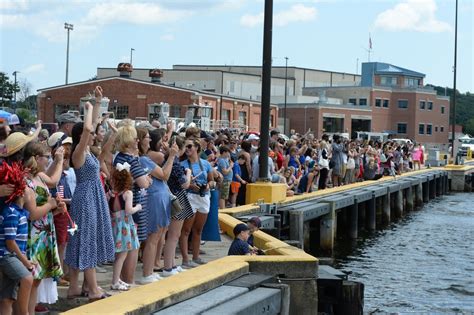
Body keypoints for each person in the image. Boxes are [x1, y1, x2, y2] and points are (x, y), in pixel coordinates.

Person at [65, 87, 115, 302]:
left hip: (91, 197)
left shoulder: (86, 152)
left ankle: (75, 288)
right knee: (86, 242)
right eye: (91, 134)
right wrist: (88, 108)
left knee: (80, 242)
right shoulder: (78, 153)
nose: (95, 134)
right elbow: (87, 129)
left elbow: (91, 126)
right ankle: (94, 289)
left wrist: (97, 101)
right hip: (85, 200)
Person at [113, 124, 152, 284]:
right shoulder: (130, 160)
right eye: (135, 138)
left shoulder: (118, 157)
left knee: (125, 246)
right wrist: (147, 179)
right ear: (129, 142)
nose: (138, 141)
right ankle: (128, 280)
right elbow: (143, 183)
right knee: (133, 245)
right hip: (134, 204)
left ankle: (123, 279)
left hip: (120, 204)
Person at [0, 163, 33, 315]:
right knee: (27, 279)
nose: (31, 191)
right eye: (27, 188)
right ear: (19, 192)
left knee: (7, 299)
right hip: (6, 255)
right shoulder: (12, 213)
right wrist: (25, 261)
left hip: (12, 255)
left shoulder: (19, 213)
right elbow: (10, 242)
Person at [180, 138, 214, 268]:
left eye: (189, 146)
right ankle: (185, 259)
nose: (187, 149)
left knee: (198, 230)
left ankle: (195, 257)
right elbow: (180, 184)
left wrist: (207, 186)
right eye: (185, 147)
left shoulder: (205, 164)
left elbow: (212, 181)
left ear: (196, 148)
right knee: (186, 230)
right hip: (189, 197)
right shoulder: (182, 164)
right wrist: (191, 186)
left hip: (203, 197)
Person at [108, 164, 141, 291]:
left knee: (118, 256)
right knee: (121, 256)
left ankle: (117, 278)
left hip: (114, 223)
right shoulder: (128, 193)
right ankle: (115, 281)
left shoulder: (111, 193)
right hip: (124, 226)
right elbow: (128, 210)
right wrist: (138, 207)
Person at [166, 135, 194, 274]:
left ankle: (171, 264)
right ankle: (168, 267)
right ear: (181, 148)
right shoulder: (176, 164)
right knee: (174, 235)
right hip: (177, 197)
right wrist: (188, 173)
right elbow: (185, 184)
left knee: (173, 235)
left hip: (172, 196)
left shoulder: (169, 160)